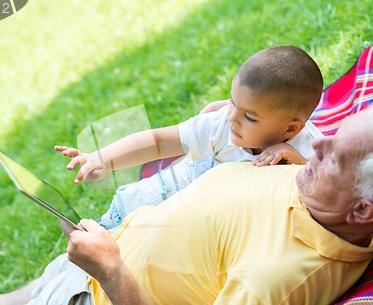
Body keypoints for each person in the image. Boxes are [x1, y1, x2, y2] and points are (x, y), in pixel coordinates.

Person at [0, 100, 373, 305]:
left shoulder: (276, 282)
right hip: (110, 249)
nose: (320, 144)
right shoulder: (321, 189)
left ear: (363, 210)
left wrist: (111, 268)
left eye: (336, 154)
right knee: (39, 285)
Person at [55, 45, 324, 229]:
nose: (232, 117)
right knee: (107, 232)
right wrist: (104, 158)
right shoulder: (221, 125)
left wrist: (299, 164)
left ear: (291, 130)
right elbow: (159, 140)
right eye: (232, 103)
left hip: (197, 224)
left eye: (249, 117)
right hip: (160, 198)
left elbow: (328, 194)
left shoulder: (307, 149)